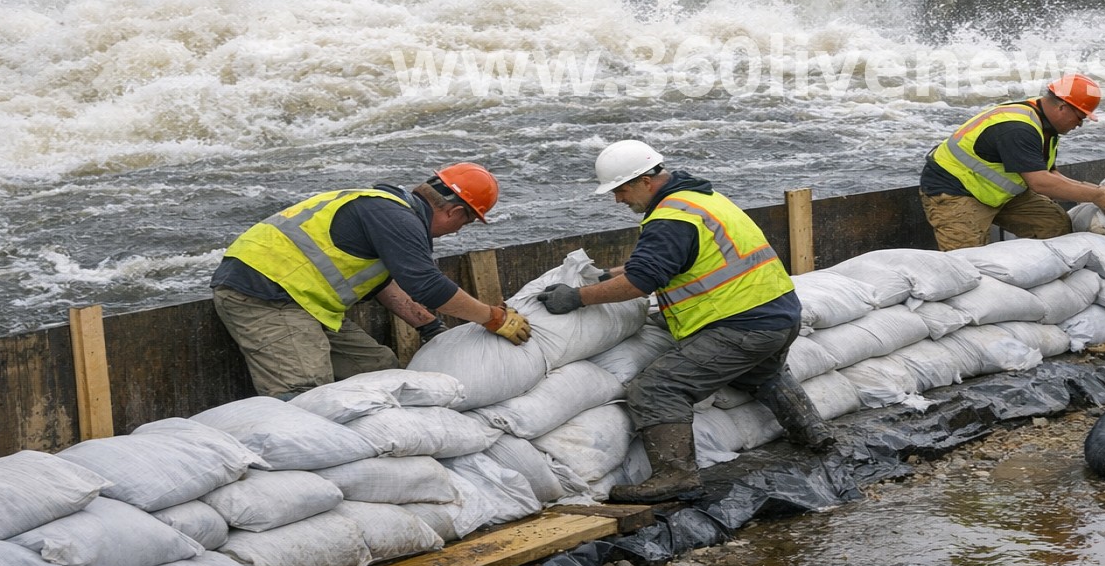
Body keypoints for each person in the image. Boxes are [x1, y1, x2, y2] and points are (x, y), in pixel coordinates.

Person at [537, 140, 833, 505]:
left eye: (621, 190)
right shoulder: (701, 199)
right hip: (780, 315)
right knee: (761, 373)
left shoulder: (670, 219)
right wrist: (606, 276)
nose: (617, 200)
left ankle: (676, 476)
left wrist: (577, 297)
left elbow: (640, 282)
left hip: (741, 326)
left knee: (656, 388)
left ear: (646, 181)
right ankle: (813, 431)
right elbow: (671, 259)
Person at [210, 163, 532, 398]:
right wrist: (493, 318)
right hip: (266, 293)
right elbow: (428, 285)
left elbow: (380, 283)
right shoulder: (396, 217)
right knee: (305, 393)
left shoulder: (391, 212)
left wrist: (428, 326)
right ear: (455, 212)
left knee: (379, 368)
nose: (457, 232)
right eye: (465, 223)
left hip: (306, 301)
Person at [918, 74, 1105, 251]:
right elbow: (1040, 183)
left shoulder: (1045, 125)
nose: (1079, 124)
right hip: (956, 191)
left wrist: (1092, 190)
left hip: (998, 193)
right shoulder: (1019, 128)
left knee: (1053, 225)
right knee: (968, 261)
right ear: (1062, 107)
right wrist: (1095, 196)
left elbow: (1050, 174)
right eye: (1080, 117)